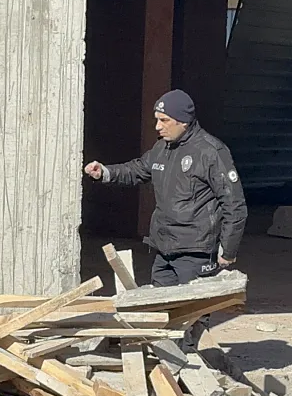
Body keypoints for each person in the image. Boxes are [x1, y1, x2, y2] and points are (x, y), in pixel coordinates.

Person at [83, 89, 247, 351]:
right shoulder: (162, 149)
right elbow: (137, 169)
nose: (158, 127)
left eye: (164, 121)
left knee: (191, 318)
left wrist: (228, 250)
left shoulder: (211, 152)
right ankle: (166, 372)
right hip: (164, 249)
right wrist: (105, 172)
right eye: (157, 120)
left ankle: (194, 376)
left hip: (195, 252)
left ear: (183, 121)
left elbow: (234, 205)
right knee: (160, 316)